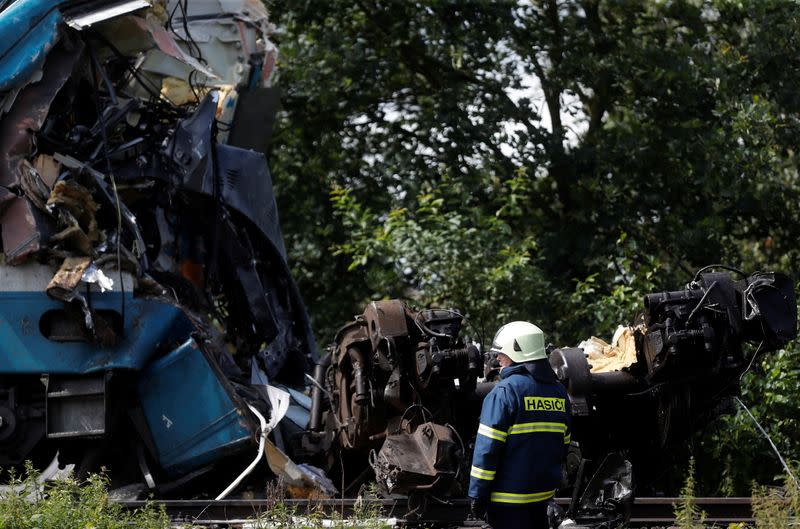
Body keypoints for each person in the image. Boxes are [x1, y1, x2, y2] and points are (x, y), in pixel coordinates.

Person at [468, 321, 571, 529]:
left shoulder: (504, 392)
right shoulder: (559, 393)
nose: (497, 358)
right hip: (543, 500)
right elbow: (564, 445)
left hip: (507, 504)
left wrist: (477, 495)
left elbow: (487, 450)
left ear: (518, 351)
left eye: (501, 353)